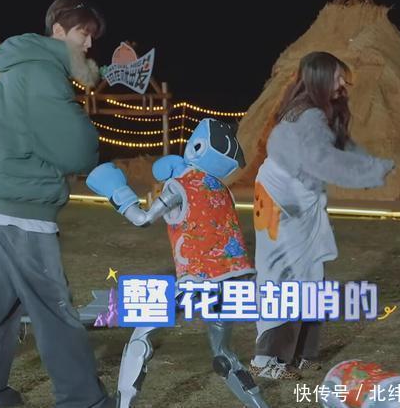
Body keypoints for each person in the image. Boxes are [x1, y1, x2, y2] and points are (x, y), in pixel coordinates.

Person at [0, 0, 114, 407]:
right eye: (82, 33)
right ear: (58, 30)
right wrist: (85, 131)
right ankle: (83, 400)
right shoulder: (42, 75)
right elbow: (78, 150)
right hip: (23, 210)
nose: (88, 44)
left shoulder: (23, 67)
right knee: (53, 309)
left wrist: (107, 74)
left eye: (92, 37)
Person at [86, 119, 269, 408]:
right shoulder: (221, 189)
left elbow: (143, 219)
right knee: (224, 354)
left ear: (197, 146)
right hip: (235, 281)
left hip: (197, 281)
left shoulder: (178, 187)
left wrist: (116, 191)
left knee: (140, 338)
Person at [249, 52, 395, 380]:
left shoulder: (316, 112)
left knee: (310, 274)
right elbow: (324, 160)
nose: (343, 83)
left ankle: (302, 353)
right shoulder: (308, 115)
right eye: (337, 76)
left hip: (298, 197)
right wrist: (370, 171)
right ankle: (267, 360)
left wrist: (371, 165)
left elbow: (341, 147)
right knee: (286, 277)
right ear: (319, 79)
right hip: (284, 201)